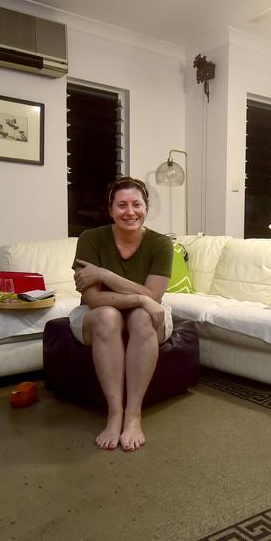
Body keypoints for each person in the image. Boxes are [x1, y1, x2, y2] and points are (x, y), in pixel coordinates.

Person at [70, 176, 173, 451]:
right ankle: (115, 414)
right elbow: (92, 299)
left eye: (136, 204)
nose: (130, 212)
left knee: (142, 316)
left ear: (146, 208)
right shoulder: (90, 239)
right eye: (122, 205)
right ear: (110, 209)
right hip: (99, 315)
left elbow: (154, 298)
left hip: (145, 314)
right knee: (107, 315)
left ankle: (133, 415)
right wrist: (140, 296)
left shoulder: (162, 244)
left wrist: (104, 274)